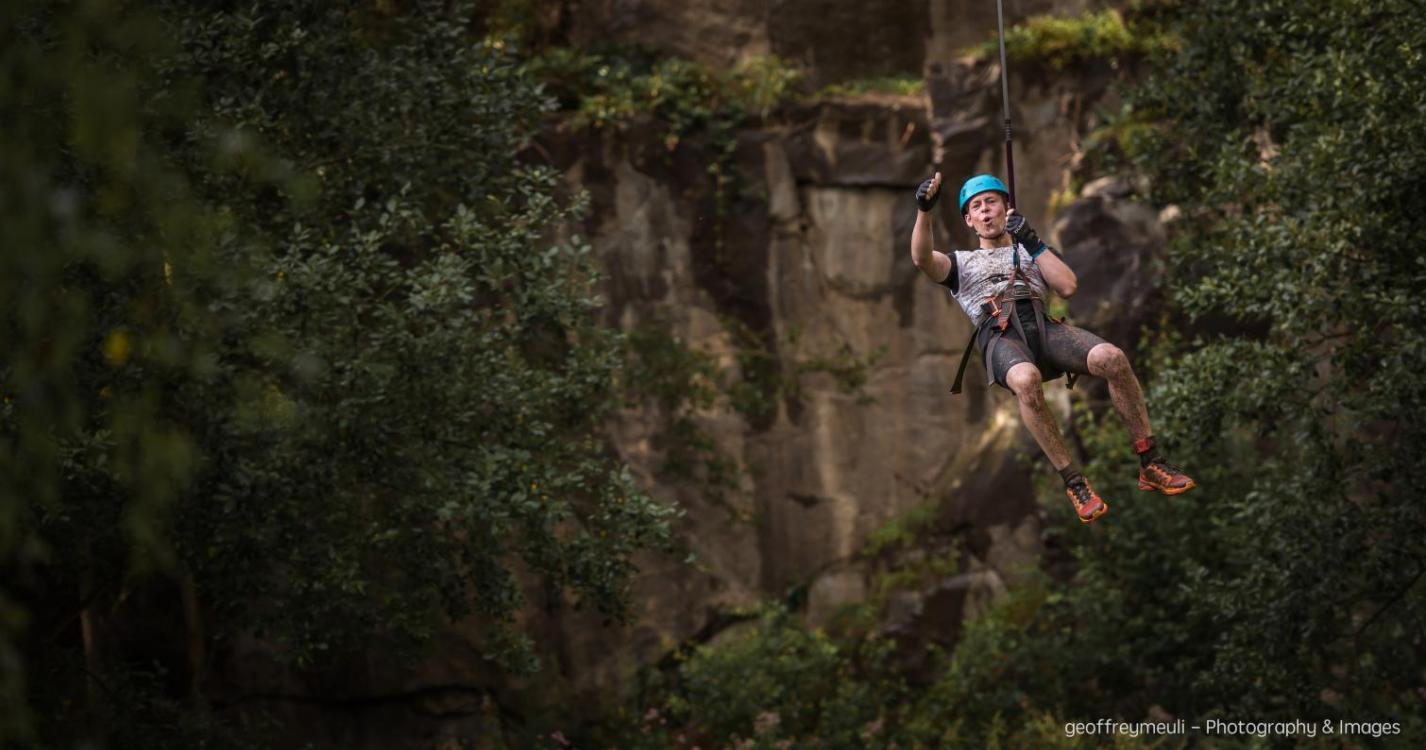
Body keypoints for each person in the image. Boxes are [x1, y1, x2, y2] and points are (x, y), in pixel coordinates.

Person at [909, 171, 1195, 523]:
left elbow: (1068, 286)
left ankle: (1150, 461)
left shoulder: (1030, 250)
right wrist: (924, 211)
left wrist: (1032, 242)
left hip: (1043, 328)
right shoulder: (961, 263)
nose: (985, 211)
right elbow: (922, 259)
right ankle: (1074, 482)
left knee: (1113, 358)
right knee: (1026, 380)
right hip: (1001, 336)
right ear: (969, 220)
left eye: (991, 202)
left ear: (1006, 207)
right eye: (976, 207)